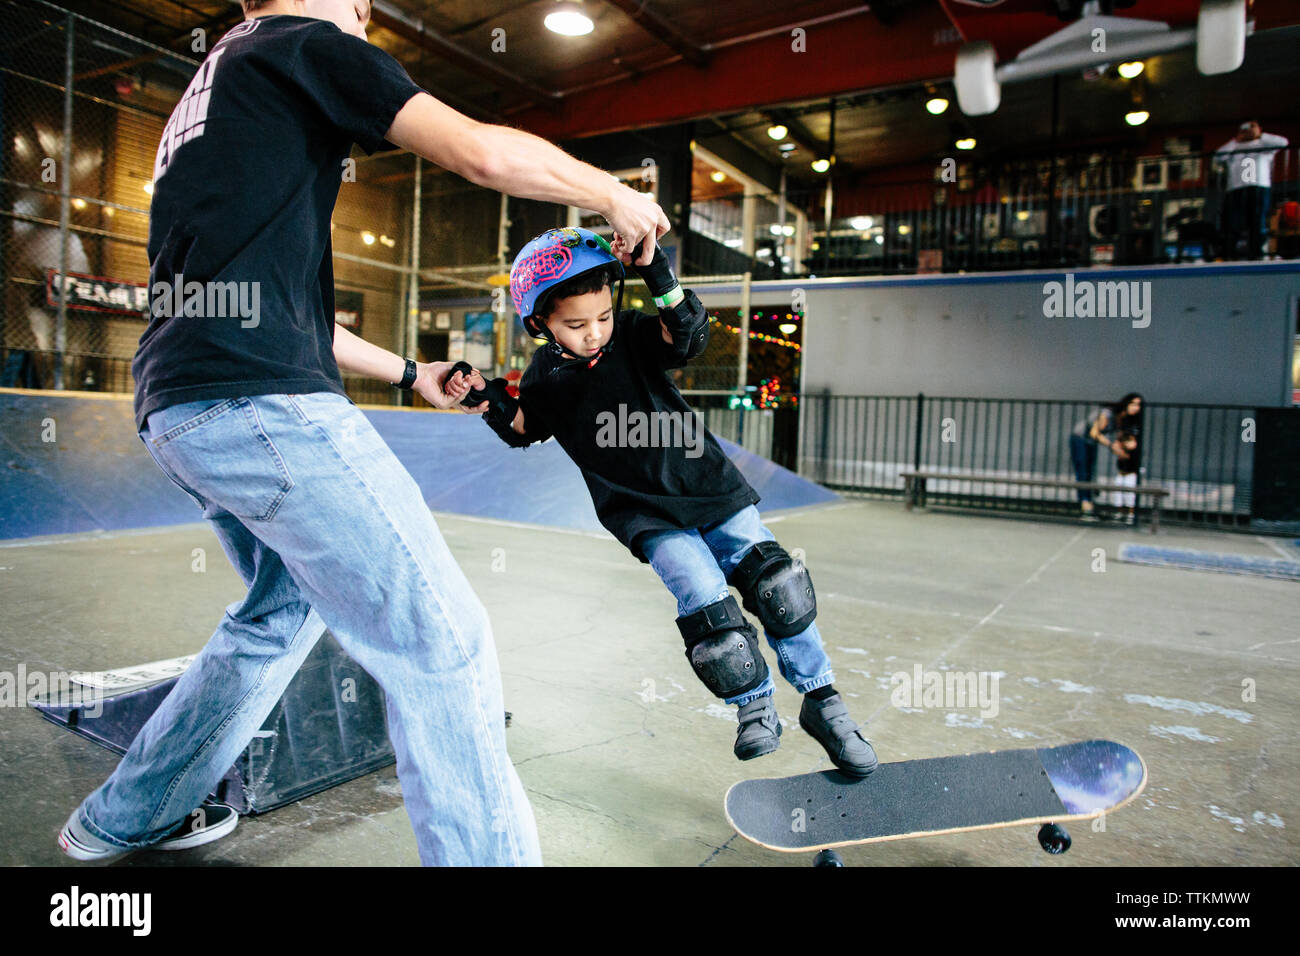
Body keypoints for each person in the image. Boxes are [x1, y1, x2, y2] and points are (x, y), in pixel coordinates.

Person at [59, 0, 669, 866]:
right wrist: (609, 192)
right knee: (440, 638)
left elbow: (288, 311)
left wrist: (410, 374)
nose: (369, 14)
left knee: (276, 614)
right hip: (265, 409)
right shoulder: (304, 43)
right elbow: (480, 150)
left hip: (182, 404)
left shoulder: (207, 90)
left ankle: (126, 816)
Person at [453, 226, 877, 776]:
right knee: (705, 603)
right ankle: (755, 705)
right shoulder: (545, 377)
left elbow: (688, 336)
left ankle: (824, 703)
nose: (594, 333)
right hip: (645, 515)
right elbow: (523, 427)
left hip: (709, 487)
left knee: (778, 588)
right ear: (540, 324)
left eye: (602, 317)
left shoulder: (632, 335)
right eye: (576, 325)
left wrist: (656, 271)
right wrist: (483, 395)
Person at [1215, 121, 1290, 260]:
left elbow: (1283, 142)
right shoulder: (1234, 146)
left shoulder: (1264, 144)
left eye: (1250, 128)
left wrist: (1260, 135)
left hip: (1258, 187)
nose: (1247, 131)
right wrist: (1236, 140)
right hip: (1236, 189)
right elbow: (1218, 156)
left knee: (1257, 222)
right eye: (1244, 129)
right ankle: (1230, 254)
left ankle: (1257, 253)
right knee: (1233, 223)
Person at [1069, 392, 1143, 519]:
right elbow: (1094, 432)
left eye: (1138, 405)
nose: (1136, 407)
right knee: (1083, 471)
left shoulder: (1122, 419)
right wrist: (1111, 446)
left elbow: (1118, 438)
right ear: (1126, 403)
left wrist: (1121, 449)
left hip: (1090, 442)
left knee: (1089, 471)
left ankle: (1089, 504)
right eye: (1133, 403)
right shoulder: (1108, 413)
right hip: (1080, 439)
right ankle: (1085, 506)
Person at [1109, 431, 1140, 524]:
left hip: (1130, 473)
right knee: (1118, 493)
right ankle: (1119, 512)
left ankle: (1131, 514)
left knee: (1130, 494)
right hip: (1121, 473)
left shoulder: (1134, 449)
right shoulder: (1121, 446)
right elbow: (1114, 448)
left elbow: (1129, 456)